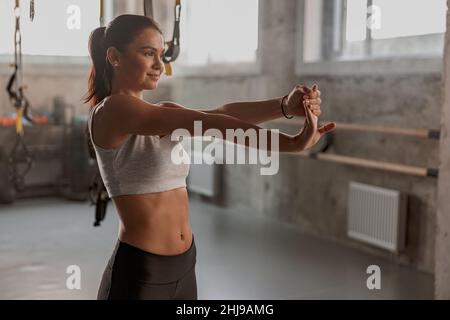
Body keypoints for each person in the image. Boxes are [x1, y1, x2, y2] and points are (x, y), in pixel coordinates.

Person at [83, 14, 336, 300]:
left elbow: (218, 114)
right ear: (114, 57)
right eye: (148, 53)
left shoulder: (160, 114)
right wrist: (292, 143)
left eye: (162, 54)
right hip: (141, 274)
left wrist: (284, 106)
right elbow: (210, 125)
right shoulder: (112, 111)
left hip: (184, 265)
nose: (159, 65)